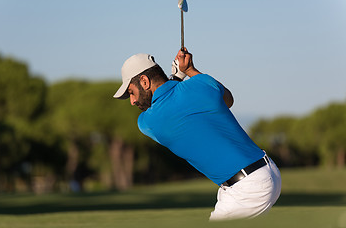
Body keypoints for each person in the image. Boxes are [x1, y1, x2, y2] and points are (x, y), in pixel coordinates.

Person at [113, 48, 281, 220]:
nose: (132, 101)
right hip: (266, 172)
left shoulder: (148, 121)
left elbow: (171, 104)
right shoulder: (200, 83)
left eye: (132, 92)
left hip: (248, 188)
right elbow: (227, 100)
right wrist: (189, 71)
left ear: (144, 81)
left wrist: (177, 78)